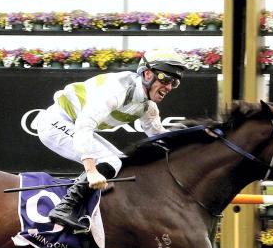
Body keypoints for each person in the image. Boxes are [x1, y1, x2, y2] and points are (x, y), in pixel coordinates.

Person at [35, 49, 186, 231]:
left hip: (73, 124)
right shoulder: (117, 89)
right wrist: (91, 170)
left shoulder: (148, 107)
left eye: (174, 83)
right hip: (55, 122)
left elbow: (159, 136)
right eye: (166, 80)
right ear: (148, 74)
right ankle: (65, 208)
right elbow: (85, 124)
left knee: (122, 163)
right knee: (110, 161)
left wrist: (194, 140)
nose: (169, 87)